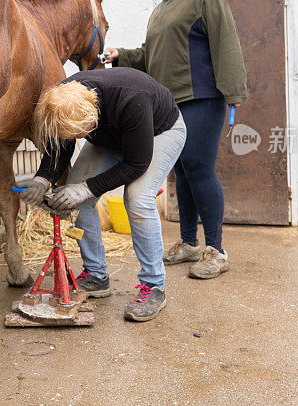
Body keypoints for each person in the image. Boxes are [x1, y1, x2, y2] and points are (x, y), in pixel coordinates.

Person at [103, 0, 248, 279]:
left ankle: (216, 250)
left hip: (202, 98)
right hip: (169, 104)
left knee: (199, 168)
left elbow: (226, 41)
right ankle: (188, 242)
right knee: (181, 172)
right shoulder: (160, 11)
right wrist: (120, 55)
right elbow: (150, 54)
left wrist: (234, 90)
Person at [18, 67, 186, 322]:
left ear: (93, 113)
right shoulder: (64, 100)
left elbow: (136, 164)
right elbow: (61, 147)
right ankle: (96, 276)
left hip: (159, 132)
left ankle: (154, 286)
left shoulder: (132, 99)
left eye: (80, 133)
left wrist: (86, 188)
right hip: (113, 136)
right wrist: (42, 180)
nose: (77, 139)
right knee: (75, 198)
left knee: (138, 198)